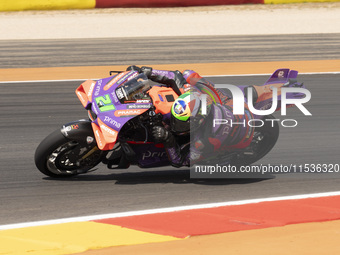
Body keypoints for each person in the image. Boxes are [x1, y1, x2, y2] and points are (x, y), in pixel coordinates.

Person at [126, 65, 255, 167]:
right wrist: (146, 72)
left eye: (181, 123)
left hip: (241, 134)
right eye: (176, 119)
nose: (175, 124)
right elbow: (174, 76)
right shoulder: (192, 94)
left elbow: (179, 161)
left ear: (197, 123)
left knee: (207, 158)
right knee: (188, 73)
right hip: (225, 106)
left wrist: (168, 138)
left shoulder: (204, 141)